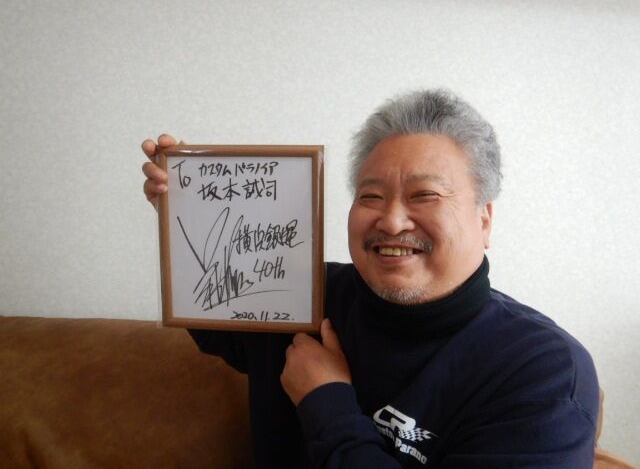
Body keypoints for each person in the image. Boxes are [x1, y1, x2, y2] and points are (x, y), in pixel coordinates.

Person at [141, 89, 599, 468]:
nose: (393, 221)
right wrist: (190, 212)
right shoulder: (300, 293)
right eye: (371, 196)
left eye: (425, 195)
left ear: (484, 219)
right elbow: (212, 318)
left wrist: (327, 403)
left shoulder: (543, 371)